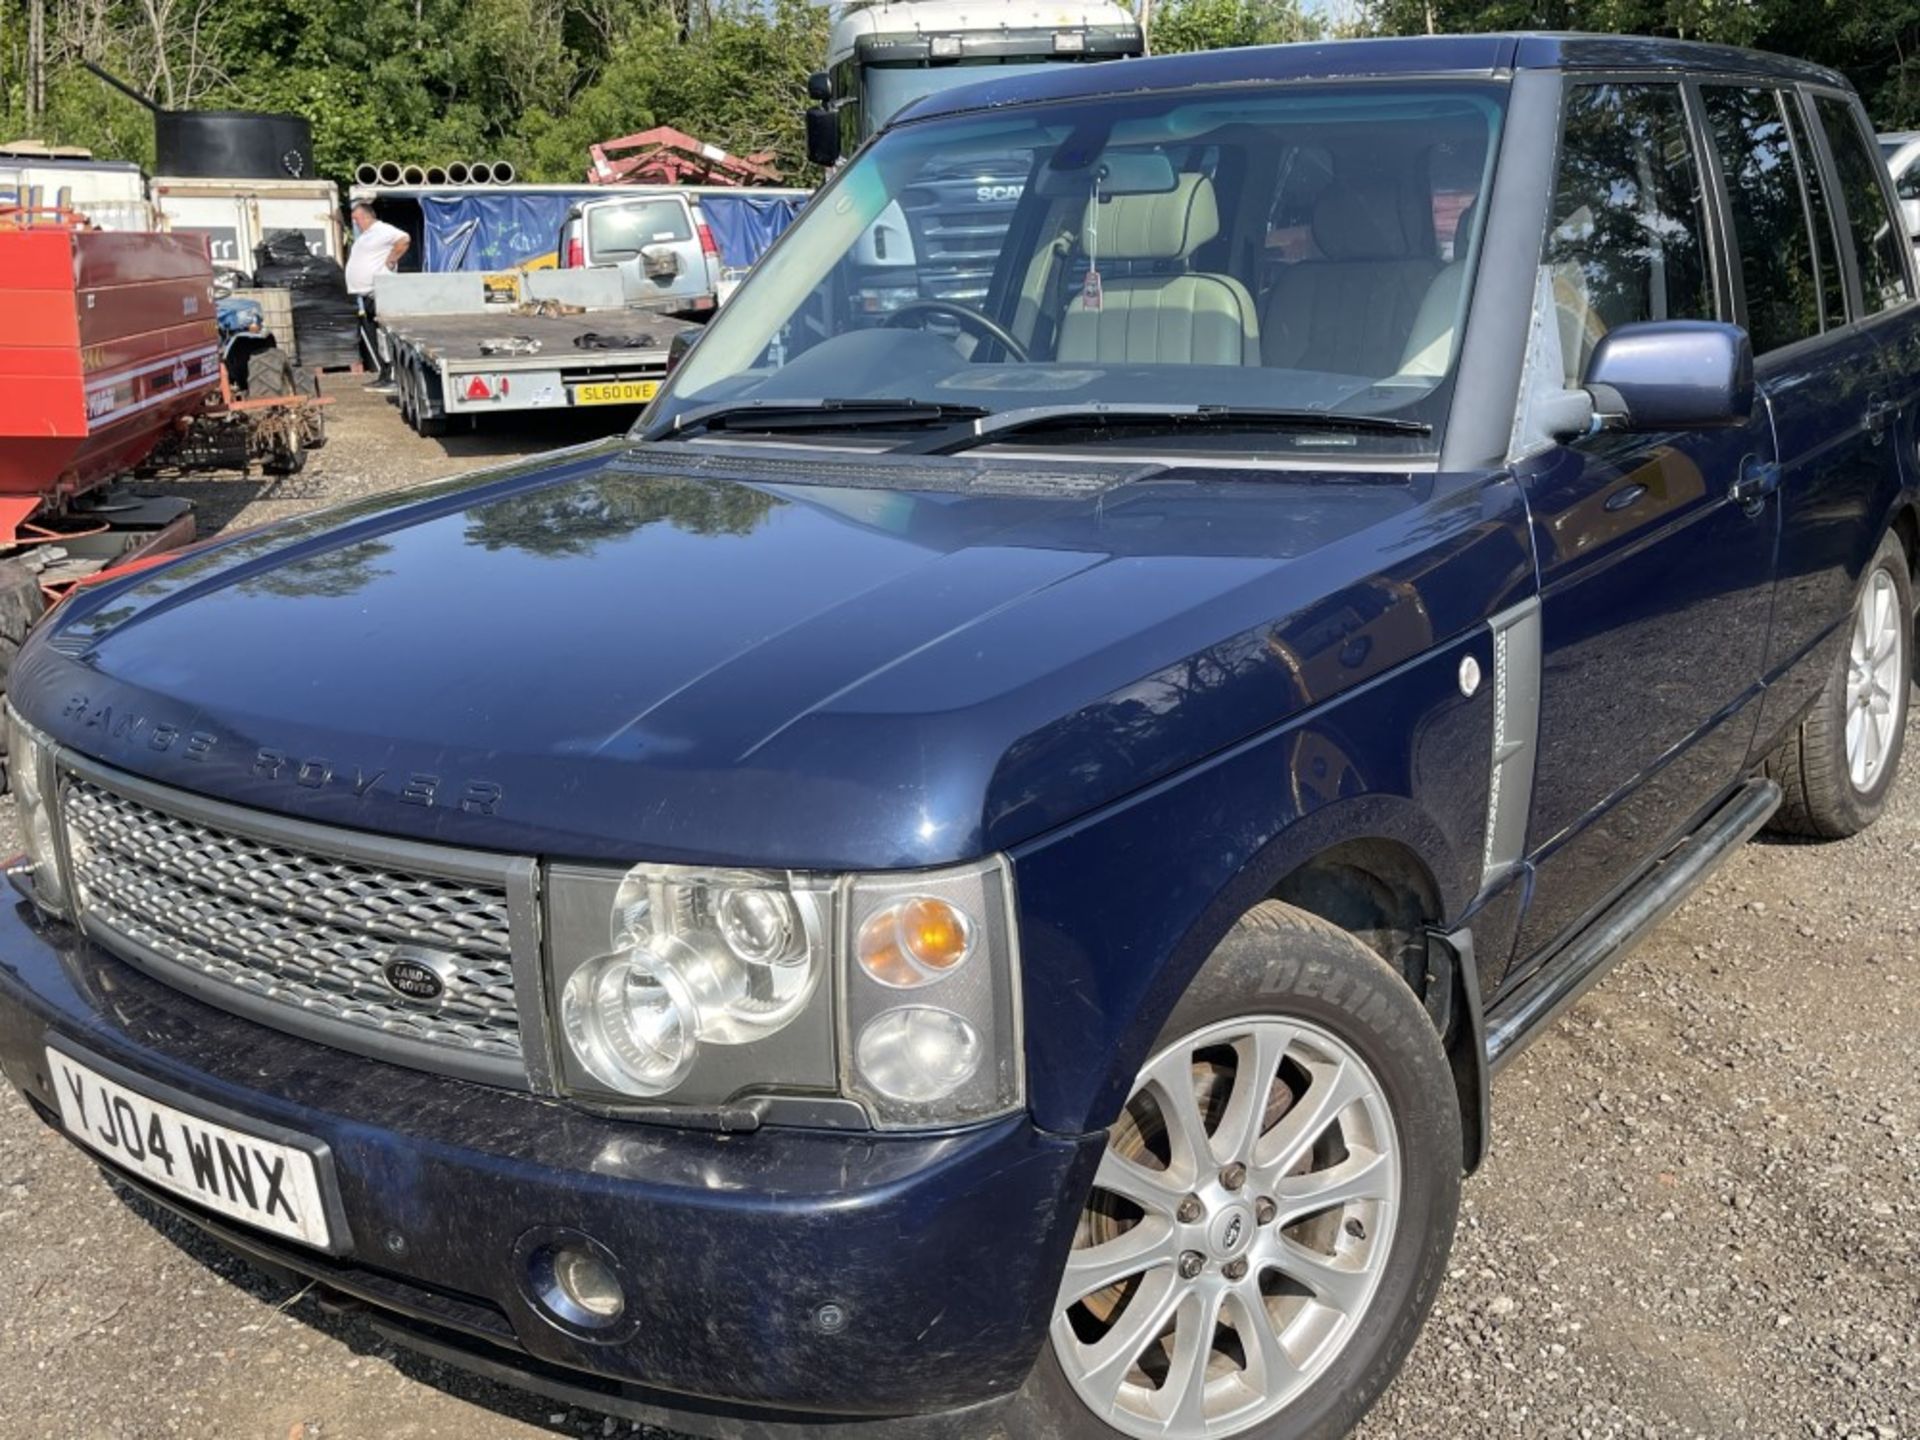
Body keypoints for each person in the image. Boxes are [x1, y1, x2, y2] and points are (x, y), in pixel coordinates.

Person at [345, 200, 410, 392]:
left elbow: (404, 239)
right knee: (375, 337)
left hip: (378, 292)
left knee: (384, 336)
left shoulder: (382, 230)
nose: (356, 223)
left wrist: (392, 259)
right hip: (366, 295)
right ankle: (384, 373)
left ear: (366, 216)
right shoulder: (366, 236)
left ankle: (392, 376)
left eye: (357, 219)